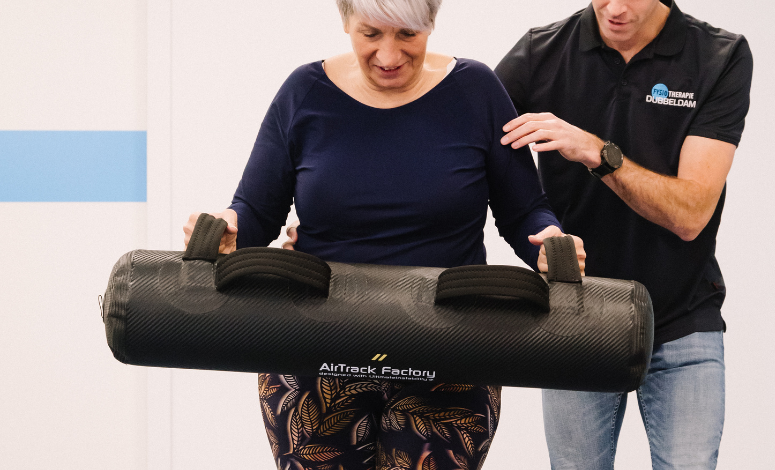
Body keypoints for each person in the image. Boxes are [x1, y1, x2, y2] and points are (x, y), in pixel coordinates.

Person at [182, 1, 585, 469]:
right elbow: (255, 210)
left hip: (449, 347)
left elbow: (525, 212)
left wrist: (547, 239)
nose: (389, 55)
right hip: (318, 348)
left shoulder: (477, 90)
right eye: (371, 34)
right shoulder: (304, 92)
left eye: (407, 36)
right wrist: (229, 226)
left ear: (431, 25)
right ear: (346, 22)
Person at [494, 0, 752, 468]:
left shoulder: (718, 56)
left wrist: (598, 152)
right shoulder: (541, 51)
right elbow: (476, 150)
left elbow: (691, 213)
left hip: (681, 317)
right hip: (577, 316)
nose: (613, 8)